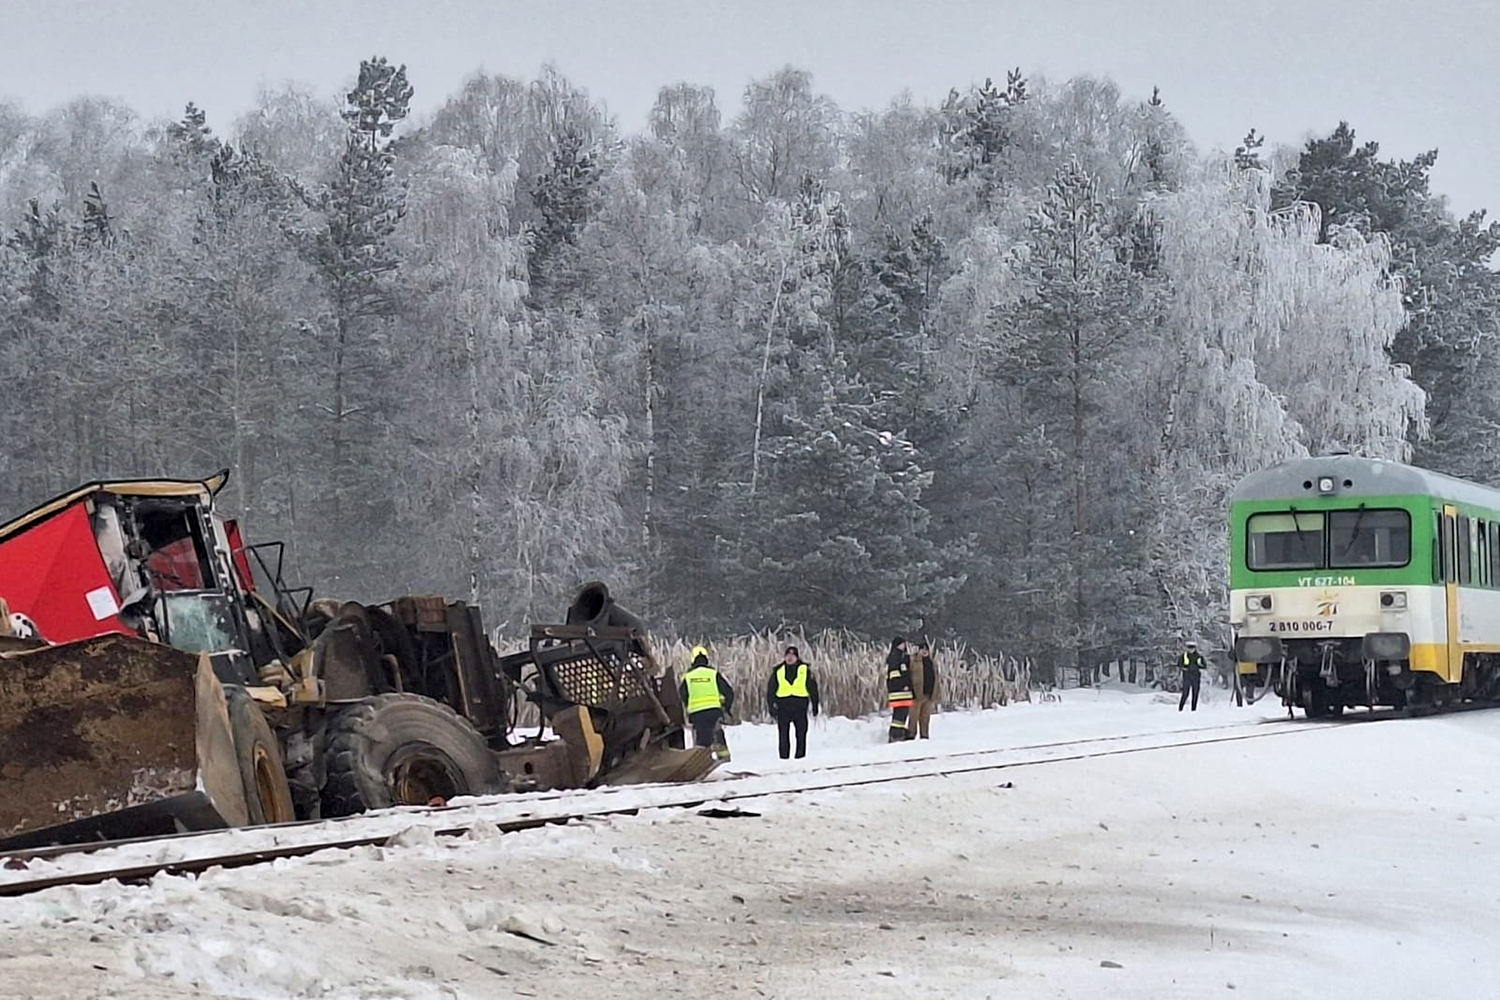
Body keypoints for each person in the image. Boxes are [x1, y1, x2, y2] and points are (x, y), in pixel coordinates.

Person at [679, 645, 735, 761]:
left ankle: (701, 760)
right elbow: (728, 692)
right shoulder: (713, 674)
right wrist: (727, 707)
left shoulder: (688, 676)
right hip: (714, 710)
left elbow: (682, 695)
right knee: (717, 733)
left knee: (702, 738)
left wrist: (687, 708)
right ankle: (723, 757)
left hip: (697, 713)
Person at [766, 645, 820, 759]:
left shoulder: (804, 670)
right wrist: (771, 706)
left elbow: (813, 689)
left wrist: (815, 705)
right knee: (783, 734)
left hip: (799, 706)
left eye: (792, 656)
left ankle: (800, 757)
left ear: (797, 657)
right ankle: (784, 758)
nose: (790, 658)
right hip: (783, 706)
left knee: (801, 734)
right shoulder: (778, 671)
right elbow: (771, 690)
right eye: (788, 656)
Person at [909, 639, 940, 739]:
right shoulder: (914, 661)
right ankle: (911, 735)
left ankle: (924, 736)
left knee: (925, 717)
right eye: (922, 649)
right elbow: (909, 676)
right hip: (917, 693)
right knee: (914, 717)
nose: (924, 651)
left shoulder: (931, 663)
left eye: (926, 649)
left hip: (928, 694)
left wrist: (935, 693)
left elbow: (935, 677)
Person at [886, 636, 913, 742]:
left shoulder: (901, 657)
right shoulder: (896, 657)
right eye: (902, 644)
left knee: (902, 714)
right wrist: (903, 684)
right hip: (899, 692)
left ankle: (899, 732)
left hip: (902, 693)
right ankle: (896, 734)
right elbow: (895, 674)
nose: (904, 646)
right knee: (899, 714)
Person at [1178, 639, 1205, 712]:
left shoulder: (1199, 657)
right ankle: (1180, 709)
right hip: (1187, 676)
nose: (1191, 649)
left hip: (1196, 676)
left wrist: (1199, 666)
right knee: (1185, 693)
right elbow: (1179, 664)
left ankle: (1193, 709)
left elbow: (1204, 665)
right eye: (1189, 647)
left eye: (1192, 648)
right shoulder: (1184, 656)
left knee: (1195, 693)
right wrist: (1184, 667)